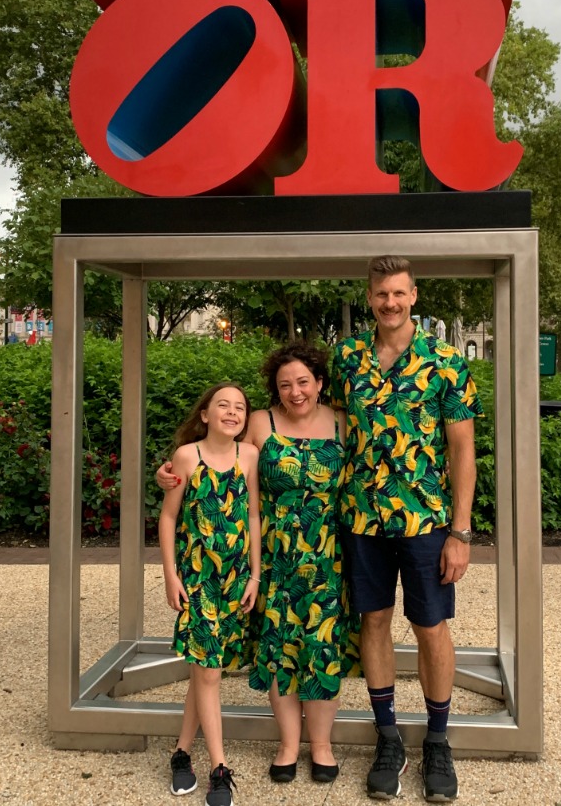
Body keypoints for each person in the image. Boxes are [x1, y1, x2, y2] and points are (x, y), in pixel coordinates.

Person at [157, 344, 360, 785]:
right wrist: (167, 474)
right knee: (279, 649)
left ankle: (321, 744)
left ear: (320, 383)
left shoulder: (344, 422)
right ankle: (288, 743)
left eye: (304, 381)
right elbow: (214, 455)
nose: (295, 391)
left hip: (329, 557)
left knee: (322, 648)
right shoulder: (259, 423)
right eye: (285, 384)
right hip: (273, 558)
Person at [330, 255, 481, 803]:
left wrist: (460, 533)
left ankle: (438, 741)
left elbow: (463, 451)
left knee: (431, 626)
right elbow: (318, 422)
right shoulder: (347, 358)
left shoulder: (444, 363)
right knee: (373, 621)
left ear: (414, 295)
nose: (389, 303)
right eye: (379, 295)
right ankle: (388, 736)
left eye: (398, 293)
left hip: (425, 520)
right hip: (362, 518)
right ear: (368, 299)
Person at [158, 383, 261, 806]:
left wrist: (255, 575)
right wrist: (169, 574)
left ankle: (181, 751)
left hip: (236, 581)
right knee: (211, 672)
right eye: (223, 405)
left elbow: (254, 514)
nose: (232, 412)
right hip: (198, 580)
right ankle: (219, 768)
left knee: (206, 668)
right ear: (205, 414)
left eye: (240, 407)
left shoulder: (249, 456)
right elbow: (168, 517)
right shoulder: (187, 457)